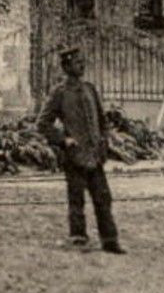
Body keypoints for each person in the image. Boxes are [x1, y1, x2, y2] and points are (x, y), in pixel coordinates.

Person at [37, 46, 124, 253]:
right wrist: (63, 140)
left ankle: (110, 241)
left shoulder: (90, 89)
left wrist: (104, 139)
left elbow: (102, 121)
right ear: (66, 66)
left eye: (83, 61)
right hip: (75, 157)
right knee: (76, 200)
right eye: (77, 62)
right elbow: (42, 124)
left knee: (103, 198)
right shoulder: (59, 93)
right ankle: (78, 238)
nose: (82, 65)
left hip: (95, 156)